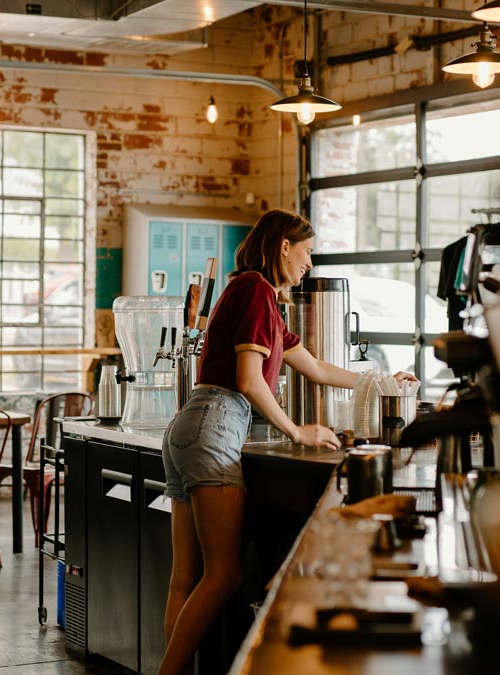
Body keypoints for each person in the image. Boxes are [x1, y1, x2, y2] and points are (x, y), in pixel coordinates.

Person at [158, 209, 418, 675]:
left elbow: (317, 368)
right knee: (224, 575)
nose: (310, 264)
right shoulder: (257, 290)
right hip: (216, 424)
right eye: (308, 251)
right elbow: (249, 379)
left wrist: (382, 379)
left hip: (189, 427)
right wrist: (296, 431)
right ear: (284, 245)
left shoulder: (257, 298)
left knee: (187, 578)